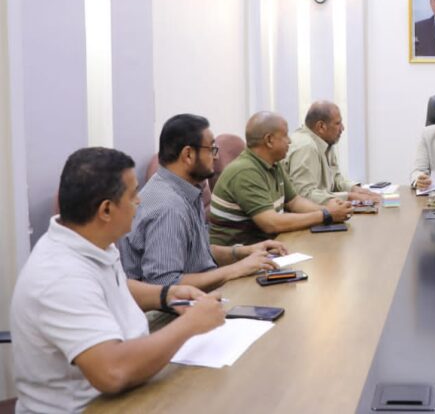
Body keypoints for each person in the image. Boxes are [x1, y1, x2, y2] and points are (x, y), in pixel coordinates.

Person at [11, 147, 225, 413]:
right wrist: (191, 324)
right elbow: (112, 372)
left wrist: (167, 294)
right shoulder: (60, 276)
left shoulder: (91, 240)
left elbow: (113, 287)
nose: (140, 202)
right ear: (106, 210)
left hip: (131, 389)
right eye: (134, 194)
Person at [119, 114, 285, 292]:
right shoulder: (169, 207)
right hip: (168, 314)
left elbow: (198, 253)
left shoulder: (186, 189)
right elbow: (165, 283)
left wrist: (244, 252)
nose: (215, 157)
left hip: (196, 298)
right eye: (211, 149)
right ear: (188, 154)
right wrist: (236, 269)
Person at [209, 111, 353, 246]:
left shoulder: (274, 163)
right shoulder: (245, 171)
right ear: (269, 140)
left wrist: (329, 210)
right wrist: (326, 214)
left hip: (267, 247)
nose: (289, 141)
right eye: (285, 135)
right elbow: (271, 223)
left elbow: (294, 202)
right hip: (241, 258)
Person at [283, 101, 380, 204]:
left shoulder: (325, 141)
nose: (342, 128)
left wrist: (354, 189)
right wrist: (349, 197)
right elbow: (304, 195)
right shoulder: (306, 146)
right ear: (321, 126)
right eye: (338, 123)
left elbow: (334, 180)